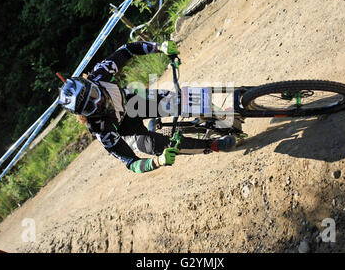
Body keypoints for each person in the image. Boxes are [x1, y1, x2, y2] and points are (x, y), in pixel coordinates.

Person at [58, 41, 236, 173]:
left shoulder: (100, 73)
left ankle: (219, 114)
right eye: (89, 108)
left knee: (181, 100)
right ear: (82, 115)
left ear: (91, 83)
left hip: (133, 102)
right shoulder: (102, 131)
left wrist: (160, 47)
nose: (99, 104)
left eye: (95, 96)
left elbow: (127, 50)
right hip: (128, 132)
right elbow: (132, 163)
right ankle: (213, 145)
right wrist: (158, 161)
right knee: (157, 145)